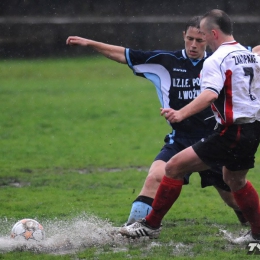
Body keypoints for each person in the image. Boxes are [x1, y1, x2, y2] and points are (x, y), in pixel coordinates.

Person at [66, 16, 247, 228]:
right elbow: (124, 55)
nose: (194, 45)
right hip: (181, 140)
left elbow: (251, 54)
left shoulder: (219, 60)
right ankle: (133, 229)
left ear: (208, 38)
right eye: (190, 39)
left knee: (233, 197)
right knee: (155, 178)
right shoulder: (165, 61)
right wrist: (90, 43)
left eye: (199, 40)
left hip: (214, 141)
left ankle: (252, 226)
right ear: (183, 36)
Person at [118, 9, 260, 244]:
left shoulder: (215, 60)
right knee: (234, 180)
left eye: (203, 34)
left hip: (231, 131)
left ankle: (151, 226)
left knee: (173, 167)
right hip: (253, 129)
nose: (200, 40)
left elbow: (209, 96)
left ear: (213, 33)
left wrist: (180, 113)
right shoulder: (248, 54)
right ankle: (257, 234)